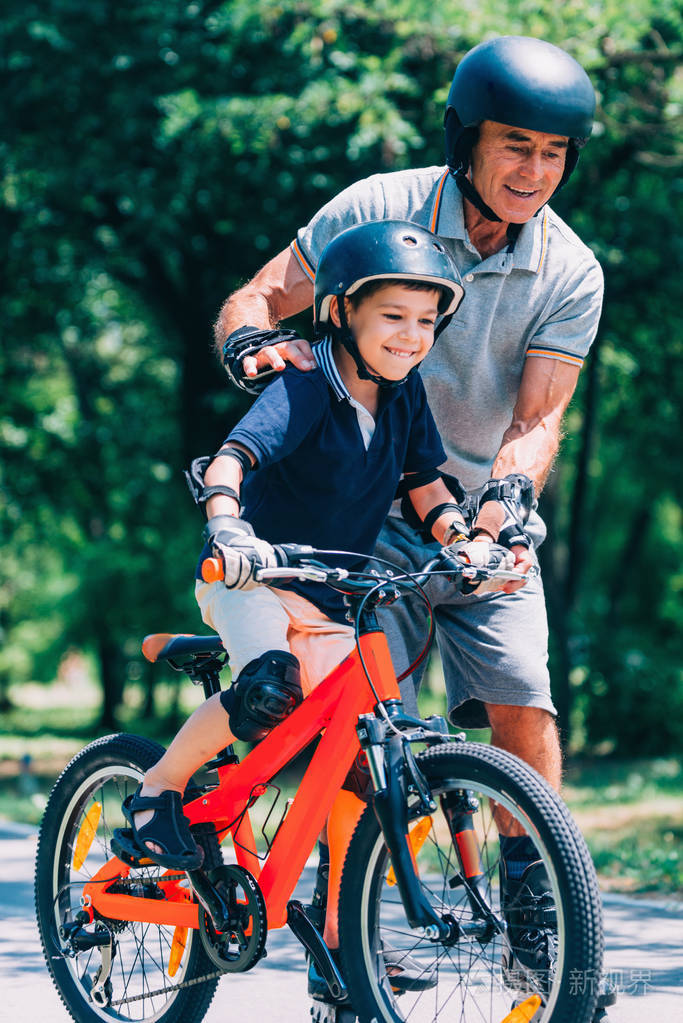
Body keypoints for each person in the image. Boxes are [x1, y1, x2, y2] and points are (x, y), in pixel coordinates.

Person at [213, 35, 615, 1016]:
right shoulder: (371, 211)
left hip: (467, 512)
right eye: (513, 145)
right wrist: (257, 351)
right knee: (361, 732)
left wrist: (505, 502)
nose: (531, 172)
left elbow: (535, 419)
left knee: (521, 702)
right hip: (357, 512)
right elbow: (258, 299)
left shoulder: (569, 270)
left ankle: (535, 930)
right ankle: (345, 957)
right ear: (464, 140)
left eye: (552, 153)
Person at [113, 218, 519, 993]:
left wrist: (462, 536)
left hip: (334, 596)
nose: (411, 335)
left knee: (370, 764)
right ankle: (159, 789)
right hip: (252, 576)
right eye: (392, 316)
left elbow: (422, 481)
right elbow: (236, 455)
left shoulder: (404, 398)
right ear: (340, 312)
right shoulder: (305, 384)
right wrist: (228, 524)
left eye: (426, 320)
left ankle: (339, 937)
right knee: (269, 684)